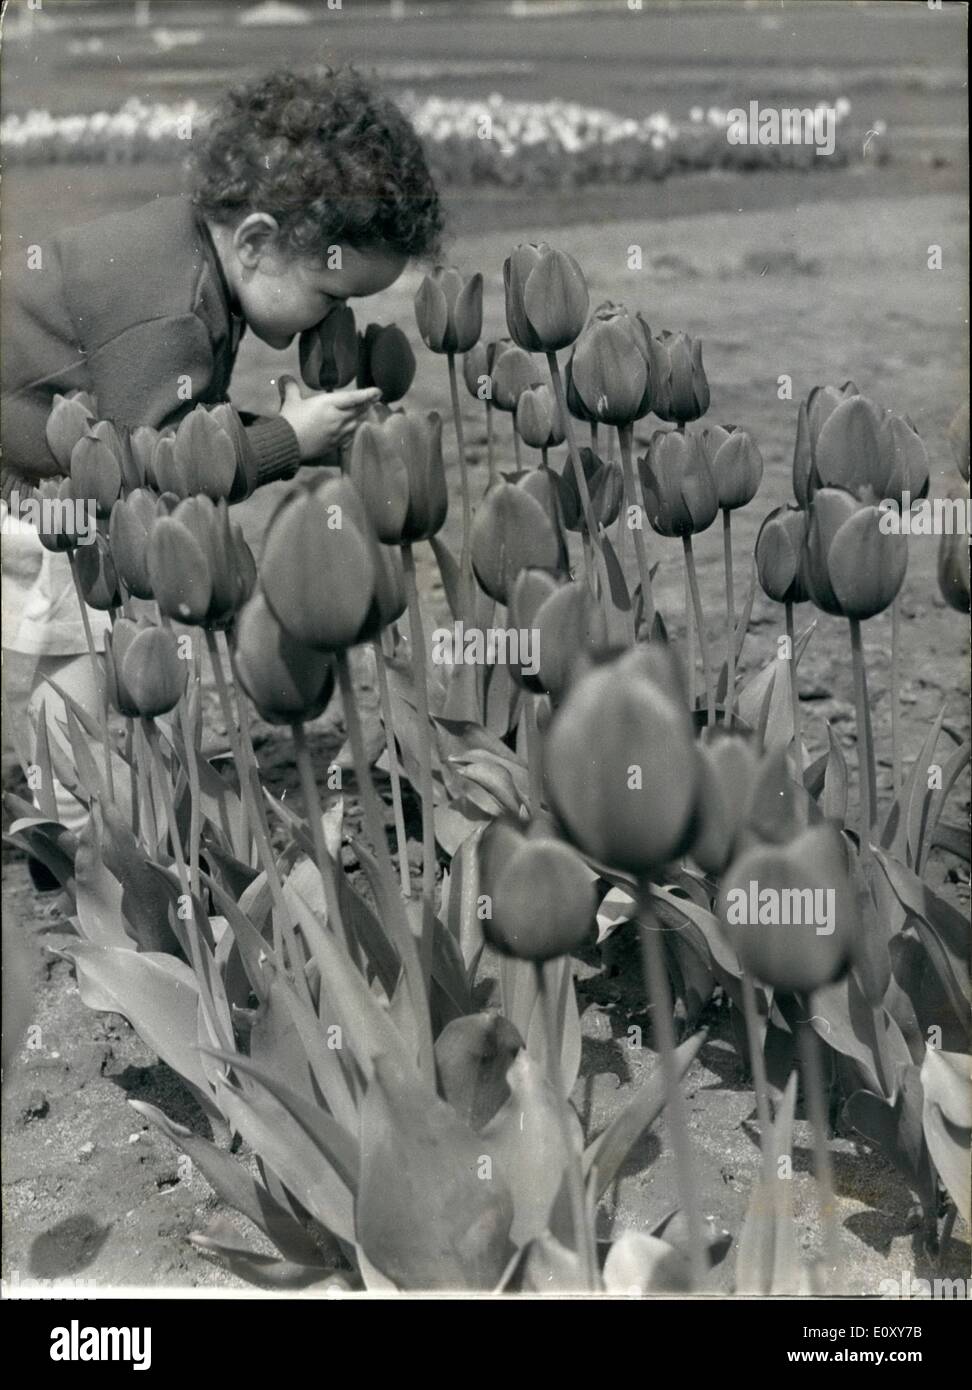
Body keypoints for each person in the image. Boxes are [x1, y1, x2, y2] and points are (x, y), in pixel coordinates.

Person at [1, 68, 443, 869]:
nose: (338, 318)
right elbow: (157, 466)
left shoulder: (193, 257)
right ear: (256, 241)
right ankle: (72, 843)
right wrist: (287, 440)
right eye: (329, 294)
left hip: (55, 464)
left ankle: (89, 816)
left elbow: (159, 437)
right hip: (32, 486)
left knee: (90, 636)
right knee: (75, 638)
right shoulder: (170, 307)